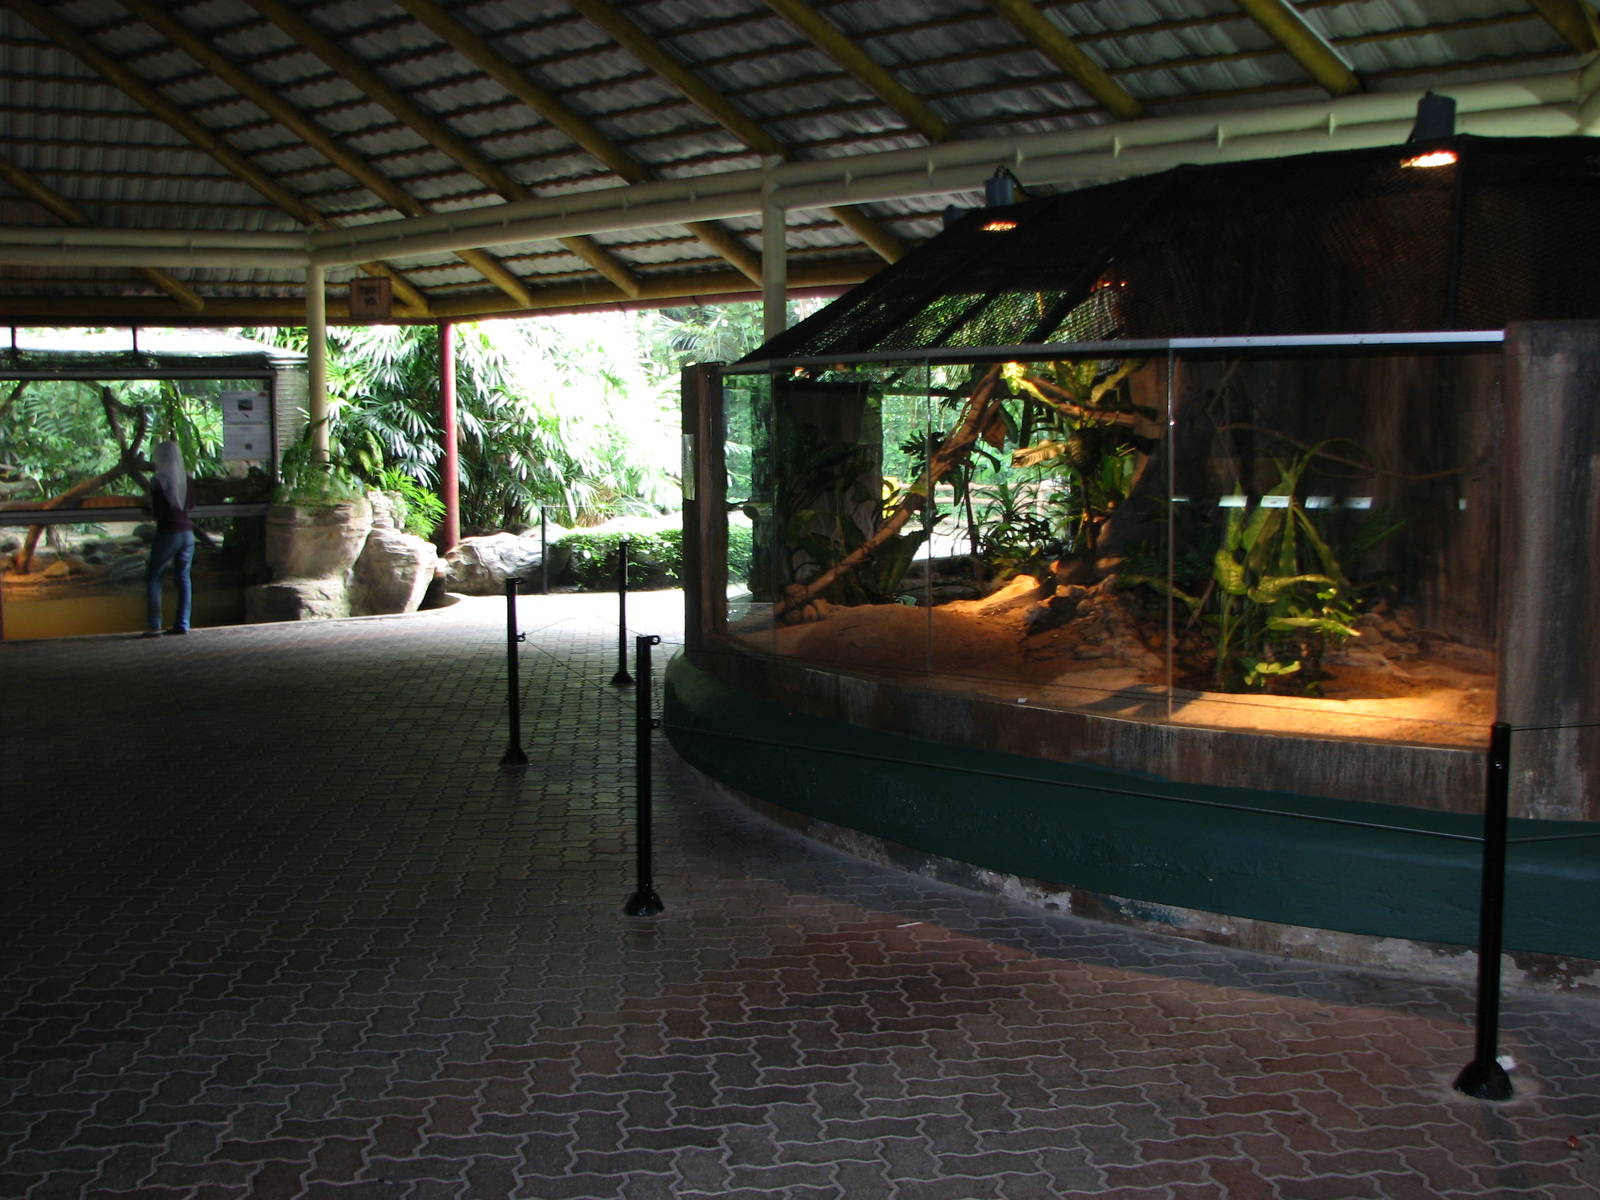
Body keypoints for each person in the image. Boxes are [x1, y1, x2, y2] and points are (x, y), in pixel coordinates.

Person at [144, 440, 196, 636]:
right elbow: (191, 505)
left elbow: (158, 511)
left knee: (154, 577)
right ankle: (183, 623)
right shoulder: (187, 478)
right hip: (187, 534)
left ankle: (154, 624)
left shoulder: (159, 481)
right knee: (183, 578)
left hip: (168, 533)